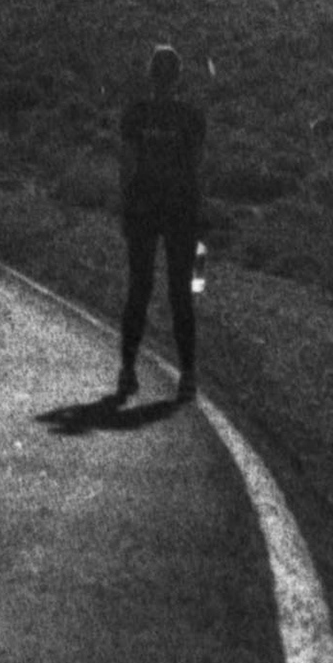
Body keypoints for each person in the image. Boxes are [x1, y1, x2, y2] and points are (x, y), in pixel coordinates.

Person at [114, 42, 207, 400]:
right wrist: (201, 213)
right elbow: (198, 169)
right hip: (181, 211)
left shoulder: (136, 114)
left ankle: (127, 370)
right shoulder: (191, 118)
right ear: (178, 77)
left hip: (143, 209)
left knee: (139, 289)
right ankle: (187, 374)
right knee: (181, 293)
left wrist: (124, 206)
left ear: (151, 74)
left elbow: (128, 164)